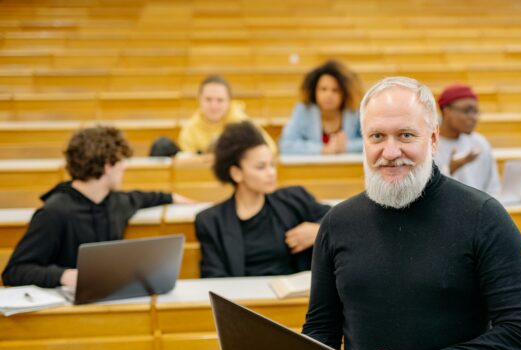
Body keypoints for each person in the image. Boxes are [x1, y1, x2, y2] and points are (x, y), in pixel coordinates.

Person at [297, 77, 521, 350]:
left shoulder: (483, 217)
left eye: (405, 135)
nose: (389, 151)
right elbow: (321, 327)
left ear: (432, 139)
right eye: (376, 136)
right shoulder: (338, 222)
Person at [2, 126, 192, 288]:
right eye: (121, 161)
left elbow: (144, 197)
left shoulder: (116, 202)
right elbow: (14, 271)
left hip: (108, 294)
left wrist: (173, 197)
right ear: (108, 166)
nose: (124, 168)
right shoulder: (54, 213)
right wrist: (64, 275)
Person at [195, 121, 331, 278]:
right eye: (261, 167)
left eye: (272, 165)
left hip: (296, 300)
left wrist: (318, 232)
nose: (271, 172)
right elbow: (213, 278)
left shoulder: (294, 198)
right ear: (236, 173)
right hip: (243, 300)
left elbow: (340, 222)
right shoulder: (211, 222)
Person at [279, 60, 363, 155]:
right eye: (323, 89)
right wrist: (322, 149)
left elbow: (371, 142)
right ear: (315, 91)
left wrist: (346, 147)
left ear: (344, 93)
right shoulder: (302, 110)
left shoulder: (354, 112)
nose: (329, 95)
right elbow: (286, 145)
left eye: (335, 90)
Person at [177, 75, 277, 155]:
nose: (214, 106)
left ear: (229, 101)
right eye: (208, 99)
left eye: (220, 100)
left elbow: (270, 149)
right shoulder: (189, 130)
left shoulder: (241, 122)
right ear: (199, 100)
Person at [434, 84, 501, 196]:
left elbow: (493, 188)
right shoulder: (428, 144)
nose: (473, 117)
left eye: (476, 112)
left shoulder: (480, 143)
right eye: (467, 111)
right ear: (446, 111)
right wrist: (450, 170)